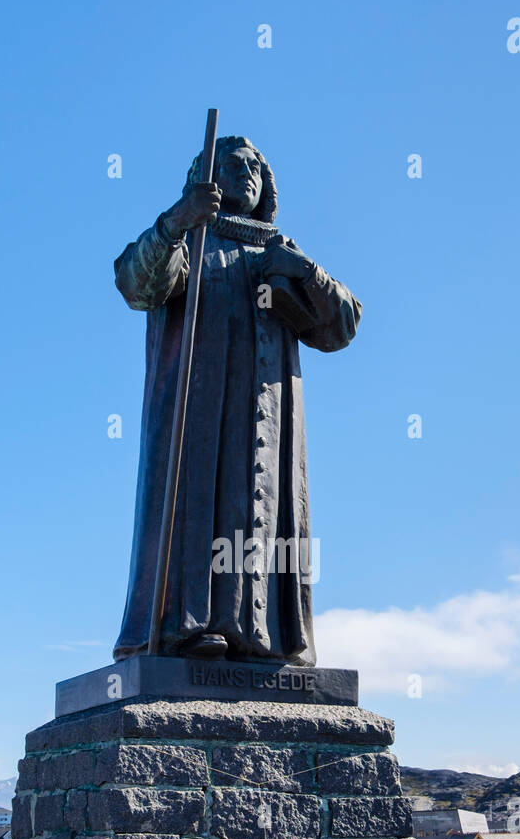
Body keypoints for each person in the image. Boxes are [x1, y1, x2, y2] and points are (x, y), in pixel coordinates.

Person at [112, 135, 361, 663]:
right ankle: (189, 628)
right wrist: (178, 220)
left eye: (255, 166)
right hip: (198, 414)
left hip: (270, 426)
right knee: (198, 504)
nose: (245, 172)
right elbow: (136, 283)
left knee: (269, 513)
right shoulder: (189, 245)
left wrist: (305, 272)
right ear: (206, 178)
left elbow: (341, 326)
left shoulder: (279, 254)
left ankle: (267, 635)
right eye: (231, 164)